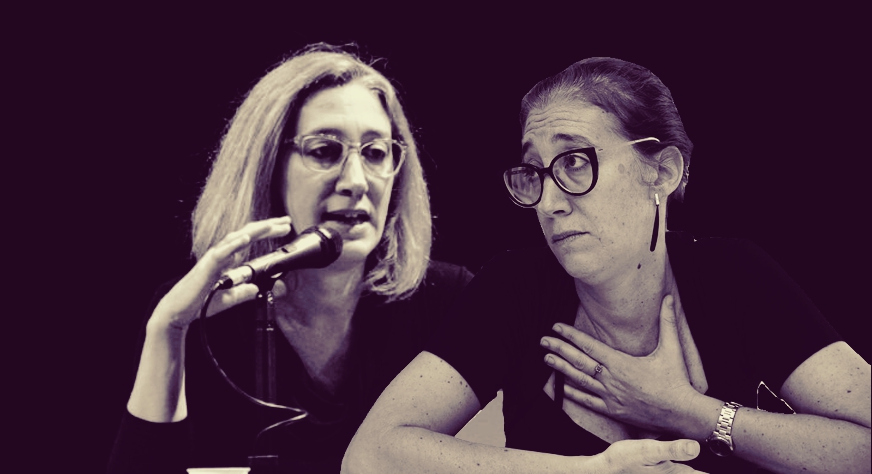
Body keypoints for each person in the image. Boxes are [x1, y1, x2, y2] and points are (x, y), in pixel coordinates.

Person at [343, 57, 871, 473]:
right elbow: (371, 456)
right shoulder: (514, 288)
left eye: (575, 162)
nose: (549, 202)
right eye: (535, 172)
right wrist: (592, 473)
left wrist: (689, 412)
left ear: (661, 172)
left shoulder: (735, 276)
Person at [106, 44, 474, 474]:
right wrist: (167, 331)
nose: (356, 181)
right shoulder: (202, 314)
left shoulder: (450, 301)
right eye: (324, 151)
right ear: (268, 167)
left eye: (375, 152)